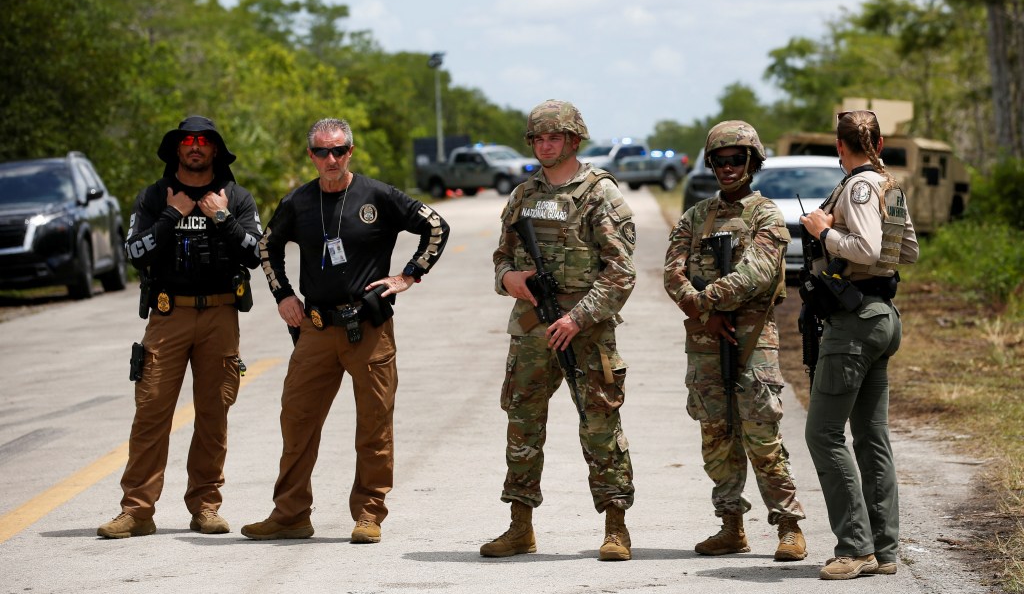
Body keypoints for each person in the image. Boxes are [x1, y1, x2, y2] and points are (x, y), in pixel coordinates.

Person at [241, 118, 449, 543]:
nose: (331, 159)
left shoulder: (378, 196)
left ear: (350, 151)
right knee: (296, 420)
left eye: (338, 150)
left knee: (374, 424)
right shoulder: (298, 202)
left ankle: (369, 514)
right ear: (311, 156)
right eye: (322, 152)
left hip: (369, 328)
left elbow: (436, 227)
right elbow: (267, 246)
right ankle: (291, 514)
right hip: (316, 329)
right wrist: (283, 294)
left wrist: (409, 275)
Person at [482, 100, 636, 561]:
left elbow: (621, 272)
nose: (545, 145)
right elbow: (502, 257)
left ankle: (615, 527)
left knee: (600, 426)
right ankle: (520, 526)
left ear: (572, 140)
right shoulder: (524, 196)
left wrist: (577, 318)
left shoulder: (599, 195)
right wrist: (509, 279)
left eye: (553, 137)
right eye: (538, 138)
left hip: (585, 331)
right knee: (522, 424)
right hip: (532, 329)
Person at [98, 115, 262, 539]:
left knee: (213, 414)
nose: (194, 146)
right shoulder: (154, 197)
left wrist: (223, 218)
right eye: (187, 140)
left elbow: (255, 254)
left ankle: (206, 505)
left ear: (215, 150)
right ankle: (137, 510)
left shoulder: (236, 197)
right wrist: (172, 214)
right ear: (176, 149)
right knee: (151, 411)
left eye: (203, 141)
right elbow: (135, 253)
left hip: (220, 316)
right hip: (168, 316)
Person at [663, 120, 808, 561]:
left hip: (751, 339)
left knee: (762, 435)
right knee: (716, 435)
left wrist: (707, 300)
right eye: (720, 161)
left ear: (752, 162)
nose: (728, 168)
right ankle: (730, 526)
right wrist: (704, 311)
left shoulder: (764, 214)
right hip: (706, 339)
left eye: (736, 160)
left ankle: (788, 526)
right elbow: (673, 270)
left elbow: (758, 272)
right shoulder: (696, 216)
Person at [800, 109, 918, 580]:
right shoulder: (890, 186)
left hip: (856, 322)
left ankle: (855, 547)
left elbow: (868, 249)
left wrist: (823, 231)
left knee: (823, 434)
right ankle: (884, 550)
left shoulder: (860, 187)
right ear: (881, 142)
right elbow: (906, 252)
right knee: (870, 436)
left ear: (839, 146)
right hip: (882, 316)